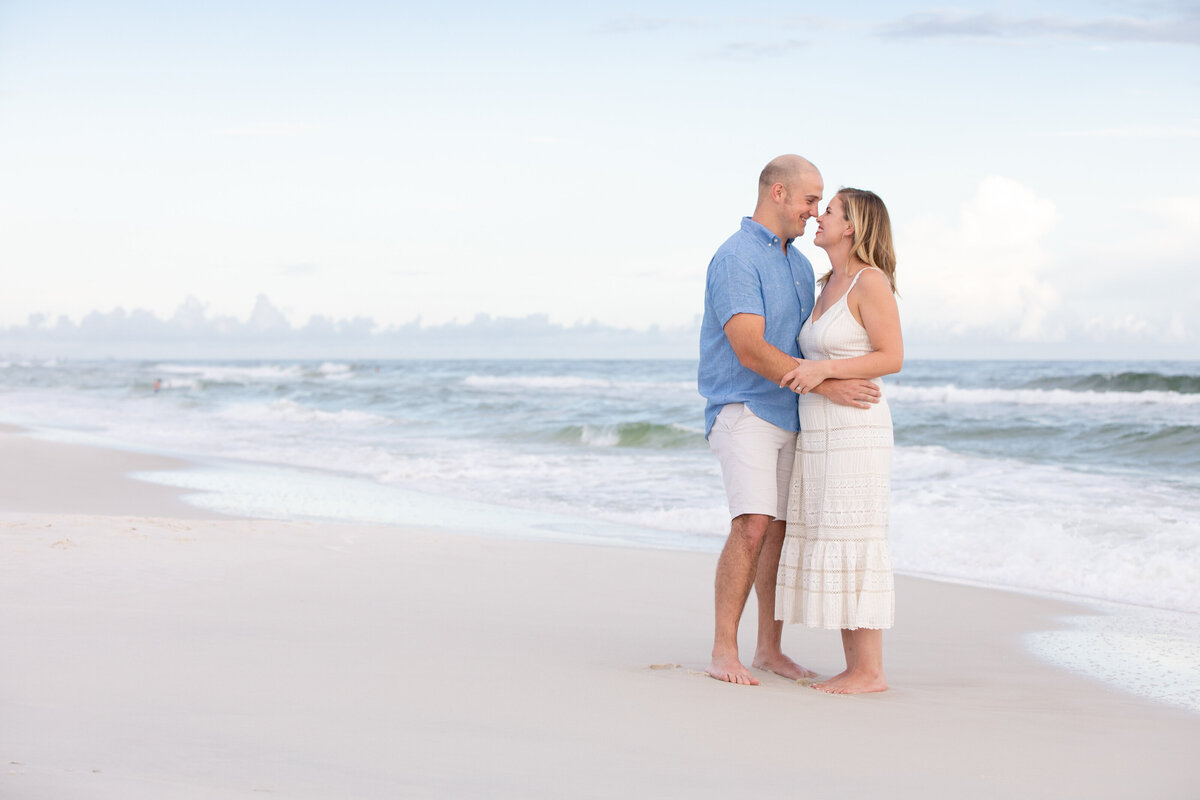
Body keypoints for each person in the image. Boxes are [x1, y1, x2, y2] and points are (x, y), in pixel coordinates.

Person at [698, 157, 883, 686]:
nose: (813, 212)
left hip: (791, 413)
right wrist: (829, 384)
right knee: (752, 525)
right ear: (778, 193)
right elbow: (751, 349)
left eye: (821, 204)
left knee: (778, 534)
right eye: (809, 200)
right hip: (743, 408)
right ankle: (722, 652)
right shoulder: (736, 258)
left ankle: (769, 650)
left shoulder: (801, 266)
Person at [775, 188, 903, 694]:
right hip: (821, 430)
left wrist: (824, 369)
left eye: (829, 211)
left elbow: (891, 356)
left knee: (857, 539)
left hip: (856, 431)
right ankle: (856, 667)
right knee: (835, 536)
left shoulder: (870, 282)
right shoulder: (827, 282)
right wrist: (823, 379)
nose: (819, 216)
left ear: (851, 226)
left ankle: (870, 671)